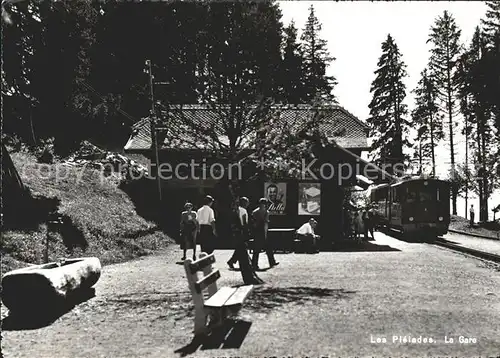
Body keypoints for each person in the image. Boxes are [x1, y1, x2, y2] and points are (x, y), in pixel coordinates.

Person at [251, 198, 278, 270]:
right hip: (262, 231)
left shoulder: (254, 212)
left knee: (256, 249)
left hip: (256, 231)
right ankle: (272, 262)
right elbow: (265, 224)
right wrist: (265, 234)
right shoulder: (266, 212)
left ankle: (254, 264)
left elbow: (253, 224)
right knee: (268, 247)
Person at [227, 196, 249, 269]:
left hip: (236, 231)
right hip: (241, 230)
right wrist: (246, 231)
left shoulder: (237, 210)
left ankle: (232, 260)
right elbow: (244, 221)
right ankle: (233, 261)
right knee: (241, 247)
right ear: (245, 203)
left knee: (239, 247)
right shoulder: (243, 211)